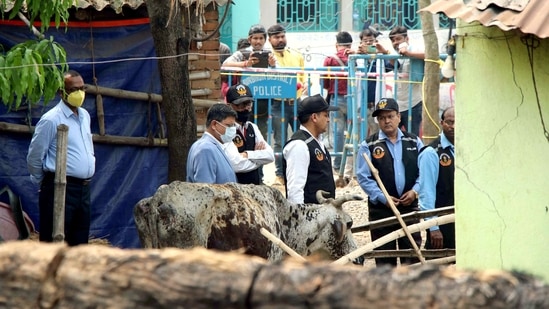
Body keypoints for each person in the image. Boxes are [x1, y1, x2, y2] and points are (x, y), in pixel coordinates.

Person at [27, 70, 95, 246]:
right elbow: (35, 155)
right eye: (73, 90)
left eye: (82, 88)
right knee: (54, 242)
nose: (79, 94)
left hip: (83, 188)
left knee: (79, 244)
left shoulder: (84, 116)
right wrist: (46, 182)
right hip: (59, 187)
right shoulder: (51, 119)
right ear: (61, 92)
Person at [356, 98, 423, 266]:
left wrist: (415, 191)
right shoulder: (368, 145)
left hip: (409, 208)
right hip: (381, 211)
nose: (387, 121)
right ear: (378, 120)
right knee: (385, 261)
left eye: (390, 116)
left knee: (412, 258)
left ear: (399, 117)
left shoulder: (414, 142)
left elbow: (424, 173)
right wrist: (382, 197)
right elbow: (364, 177)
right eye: (382, 118)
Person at [267, 23, 307, 185]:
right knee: (280, 141)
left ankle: (301, 172)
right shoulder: (268, 57)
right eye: (276, 37)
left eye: (282, 36)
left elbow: (302, 77)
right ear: (269, 40)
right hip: (278, 105)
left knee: (302, 138)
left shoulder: (296, 55)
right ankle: (280, 174)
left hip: (296, 103)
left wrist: (302, 86)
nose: (280, 40)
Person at [282, 94, 339, 204]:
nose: (328, 120)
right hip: (310, 215)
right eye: (325, 115)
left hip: (322, 213)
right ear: (314, 117)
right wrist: (300, 218)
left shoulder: (316, 142)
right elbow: (295, 189)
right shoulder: (299, 145)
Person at [223, 24, 277, 136]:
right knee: (239, 129)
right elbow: (225, 64)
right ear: (249, 39)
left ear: (265, 40)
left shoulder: (270, 54)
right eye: (255, 38)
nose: (258, 41)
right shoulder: (242, 53)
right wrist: (245, 64)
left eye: (261, 38)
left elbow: (279, 72)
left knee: (261, 132)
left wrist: (273, 65)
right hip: (242, 99)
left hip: (263, 101)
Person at [419, 106, 455, 250]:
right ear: (441, 123)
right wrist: (433, 227)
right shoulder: (431, 153)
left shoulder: (468, 149)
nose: (453, 126)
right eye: (449, 122)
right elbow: (426, 193)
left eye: (457, 122)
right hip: (442, 223)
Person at [223, 83, 274, 184]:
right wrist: (259, 159)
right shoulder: (226, 130)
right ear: (229, 106)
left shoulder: (252, 127)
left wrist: (247, 154)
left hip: (255, 187)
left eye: (248, 104)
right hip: (235, 189)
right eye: (241, 104)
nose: (246, 108)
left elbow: (270, 155)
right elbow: (235, 164)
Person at [323, 31, 354, 171]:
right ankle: (353, 165)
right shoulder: (355, 56)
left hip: (336, 100)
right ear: (350, 44)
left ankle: (337, 164)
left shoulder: (330, 59)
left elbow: (324, 82)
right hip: (354, 99)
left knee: (338, 132)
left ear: (336, 45)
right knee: (355, 131)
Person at [187, 104, 238, 184]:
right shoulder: (205, 149)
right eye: (229, 125)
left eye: (233, 125)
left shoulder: (214, 146)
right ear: (214, 124)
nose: (232, 129)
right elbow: (205, 190)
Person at [389, 26, 425, 136]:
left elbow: (430, 55)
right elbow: (392, 65)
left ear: (407, 39)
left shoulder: (415, 49)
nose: (395, 42)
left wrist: (409, 54)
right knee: (391, 137)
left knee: (412, 138)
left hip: (413, 103)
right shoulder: (394, 54)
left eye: (398, 39)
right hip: (397, 104)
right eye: (393, 40)